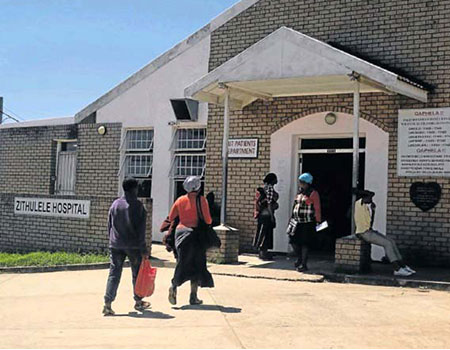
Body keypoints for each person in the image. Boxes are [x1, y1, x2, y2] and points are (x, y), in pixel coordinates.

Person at [103, 177, 150, 316]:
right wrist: (143, 248)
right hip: (133, 246)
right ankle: (138, 301)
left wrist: (111, 240)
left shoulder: (115, 204)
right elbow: (141, 231)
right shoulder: (138, 206)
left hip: (115, 245)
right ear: (134, 189)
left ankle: (107, 304)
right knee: (136, 274)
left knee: (114, 274)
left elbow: (109, 225)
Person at [167, 176, 214, 305]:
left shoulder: (180, 200)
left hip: (180, 234)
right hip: (195, 235)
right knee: (197, 264)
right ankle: (193, 296)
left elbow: (171, 217)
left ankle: (174, 286)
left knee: (182, 262)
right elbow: (208, 220)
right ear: (198, 187)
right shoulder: (202, 200)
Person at [354, 189, 416, 277]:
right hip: (363, 233)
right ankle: (397, 269)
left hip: (369, 231)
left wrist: (373, 211)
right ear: (365, 198)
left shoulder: (366, 207)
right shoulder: (358, 204)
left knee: (391, 241)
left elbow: (370, 223)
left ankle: (403, 266)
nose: (371, 200)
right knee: (387, 244)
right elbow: (364, 196)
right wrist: (365, 195)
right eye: (370, 198)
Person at [289, 172, 321, 272]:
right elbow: (295, 206)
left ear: (308, 183)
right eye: (300, 182)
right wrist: (292, 218)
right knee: (293, 241)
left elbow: (317, 208)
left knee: (305, 244)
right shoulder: (299, 194)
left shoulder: (313, 193)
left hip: (308, 222)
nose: (301, 184)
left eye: (302, 182)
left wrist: (318, 221)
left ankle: (303, 264)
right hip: (297, 222)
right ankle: (300, 258)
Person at [253, 173, 279, 260]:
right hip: (267, 215)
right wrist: (272, 216)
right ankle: (263, 253)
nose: (277, 180)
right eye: (275, 178)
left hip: (261, 215)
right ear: (272, 180)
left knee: (261, 233)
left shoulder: (264, 188)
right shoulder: (270, 188)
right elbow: (269, 203)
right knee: (266, 234)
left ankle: (262, 252)